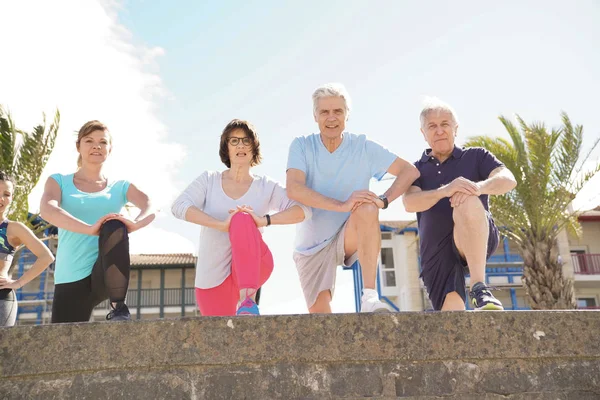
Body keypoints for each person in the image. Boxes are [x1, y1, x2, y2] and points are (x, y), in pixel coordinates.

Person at [286, 83, 420, 313]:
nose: (331, 118)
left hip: (351, 233)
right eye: (324, 112)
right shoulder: (301, 146)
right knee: (322, 324)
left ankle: (369, 296)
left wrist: (384, 200)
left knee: (367, 207)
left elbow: (410, 171)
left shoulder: (363, 147)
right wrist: (342, 205)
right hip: (313, 245)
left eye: (338, 111)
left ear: (347, 115)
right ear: (315, 116)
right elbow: (294, 188)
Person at [172, 119, 310, 316]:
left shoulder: (265, 186)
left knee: (242, 217)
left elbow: (303, 210)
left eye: (246, 141)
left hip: (253, 270)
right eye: (234, 141)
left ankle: (248, 301)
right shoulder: (209, 180)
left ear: (254, 148)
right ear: (226, 147)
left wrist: (264, 221)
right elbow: (179, 206)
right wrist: (221, 225)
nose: (241, 146)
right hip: (212, 278)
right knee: (220, 342)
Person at [403, 98, 517, 311]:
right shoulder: (416, 169)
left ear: (456, 128)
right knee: (453, 319)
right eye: (432, 126)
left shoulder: (476, 156)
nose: (439, 131)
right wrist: (446, 190)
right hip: (436, 251)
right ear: (423, 133)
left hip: (474, 235)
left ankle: (479, 288)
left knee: (467, 198)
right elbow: (409, 203)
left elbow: (508, 179)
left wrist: (477, 188)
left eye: (445, 124)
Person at [40, 120, 155, 323]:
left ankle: (118, 307)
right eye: (89, 140)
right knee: (65, 347)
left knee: (114, 224)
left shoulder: (120, 187)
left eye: (103, 142)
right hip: (71, 275)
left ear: (110, 149)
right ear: (79, 146)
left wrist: (135, 223)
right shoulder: (59, 181)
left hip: (105, 272)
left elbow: (150, 204)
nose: (96, 146)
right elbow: (48, 210)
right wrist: (90, 229)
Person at [0, 171, 55, 326]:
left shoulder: (13, 228)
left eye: (7, 194)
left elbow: (46, 257)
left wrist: (17, 283)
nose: (1, 198)